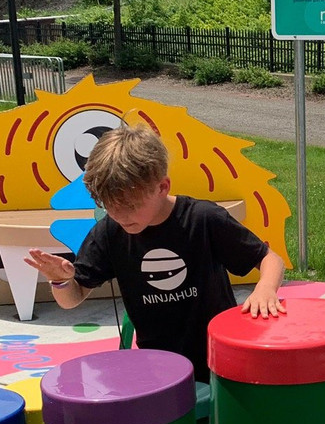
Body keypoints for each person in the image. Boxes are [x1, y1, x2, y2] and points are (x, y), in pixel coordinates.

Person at [25, 124, 285, 382]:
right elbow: (72, 298)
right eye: (109, 206)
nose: (120, 216)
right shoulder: (110, 231)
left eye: (130, 205)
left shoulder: (203, 220)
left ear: (162, 187)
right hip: (156, 367)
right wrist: (60, 280)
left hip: (218, 360)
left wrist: (265, 288)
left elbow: (269, 258)